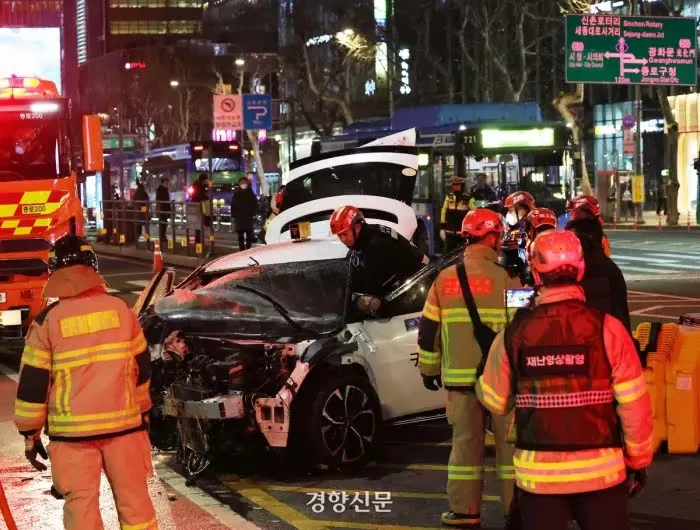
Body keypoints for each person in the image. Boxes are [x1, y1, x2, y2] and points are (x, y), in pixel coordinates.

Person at [475, 230, 653, 530]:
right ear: (580, 270)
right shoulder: (608, 329)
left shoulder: (514, 334)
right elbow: (635, 404)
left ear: (535, 273)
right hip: (602, 474)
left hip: (539, 478)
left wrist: (485, 371)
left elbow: (494, 400)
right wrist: (638, 459)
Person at [14, 235, 156, 530]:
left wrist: (30, 434)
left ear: (55, 271)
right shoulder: (121, 310)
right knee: (136, 504)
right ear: (93, 266)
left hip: (72, 436)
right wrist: (143, 411)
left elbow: (33, 385)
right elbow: (141, 369)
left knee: (81, 507)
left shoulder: (47, 321)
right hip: (124, 429)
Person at [418, 208, 521, 528]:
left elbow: (428, 331)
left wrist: (429, 370)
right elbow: (525, 329)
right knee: (510, 450)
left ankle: (464, 511)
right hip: (502, 382)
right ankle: (516, 512)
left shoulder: (444, 279)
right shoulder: (508, 278)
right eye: (498, 235)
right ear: (490, 237)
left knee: (464, 448)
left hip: (460, 382)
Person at [330, 205, 428, 306]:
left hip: (419, 289)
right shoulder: (366, 238)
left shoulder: (376, 245)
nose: (343, 239)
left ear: (357, 227)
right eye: (339, 235)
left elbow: (372, 291)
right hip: (410, 287)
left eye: (345, 234)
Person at [565, 217, 631, 334]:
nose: (567, 246)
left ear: (587, 240)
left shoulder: (593, 272)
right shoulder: (605, 266)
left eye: (572, 240)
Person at [502, 191, 536, 280]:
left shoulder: (533, 228)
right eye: (508, 210)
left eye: (511, 210)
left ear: (525, 210)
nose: (509, 214)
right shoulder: (511, 228)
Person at [521, 208, 558, 287]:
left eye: (548, 229)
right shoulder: (529, 246)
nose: (545, 233)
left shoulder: (561, 248)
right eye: (541, 230)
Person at [440, 176, 471, 253]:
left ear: (461, 185)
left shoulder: (467, 197)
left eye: (458, 184)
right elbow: (444, 211)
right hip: (450, 232)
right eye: (454, 184)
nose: (456, 186)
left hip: (462, 232)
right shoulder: (449, 197)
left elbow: (474, 211)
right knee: (448, 253)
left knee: (463, 253)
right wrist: (442, 228)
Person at [231, 176, 258, 251]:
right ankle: (242, 250)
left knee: (249, 235)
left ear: (247, 184)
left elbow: (255, 205)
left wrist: (253, 213)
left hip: (248, 217)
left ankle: (248, 249)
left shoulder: (251, 194)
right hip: (239, 218)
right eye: (241, 183)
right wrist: (234, 215)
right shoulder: (236, 194)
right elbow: (233, 205)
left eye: (245, 183)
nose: (243, 184)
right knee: (240, 236)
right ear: (239, 184)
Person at [155, 177, 171, 245]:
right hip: (162, 209)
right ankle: (162, 237)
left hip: (165, 209)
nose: (167, 184)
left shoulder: (165, 189)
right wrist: (158, 209)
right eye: (165, 183)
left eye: (167, 183)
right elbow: (158, 200)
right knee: (162, 223)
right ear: (162, 183)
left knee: (165, 223)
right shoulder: (160, 190)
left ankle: (163, 237)